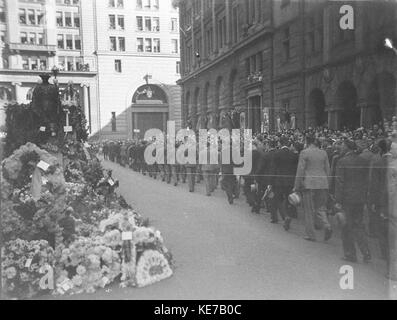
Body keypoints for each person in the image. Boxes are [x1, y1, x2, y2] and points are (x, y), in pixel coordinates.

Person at [335, 139, 371, 263]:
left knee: (346, 226)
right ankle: (366, 251)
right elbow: (367, 180)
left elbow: (340, 182)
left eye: (342, 145)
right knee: (358, 225)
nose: (340, 147)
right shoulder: (363, 161)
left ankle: (351, 254)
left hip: (347, 199)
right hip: (360, 198)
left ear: (347, 148)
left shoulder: (342, 161)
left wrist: (338, 200)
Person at [294, 134, 332, 241]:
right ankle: (327, 225)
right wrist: (328, 183)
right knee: (321, 208)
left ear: (307, 142)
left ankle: (311, 235)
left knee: (309, 210)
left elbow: (300, 170)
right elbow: (328, 170)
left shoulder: (304, 152)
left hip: (309, 183)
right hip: (322, 183)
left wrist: (296, 186)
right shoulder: (323, 153)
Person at [369, 139, 392, 263]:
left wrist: (372, 201)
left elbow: (375, 184)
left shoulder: (378, 162)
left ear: (381, 149)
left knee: (383, 229)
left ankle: (386, 254)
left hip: (382, 200)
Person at [272, 136, 299, 230]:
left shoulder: (277, 154)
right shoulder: (294, 155)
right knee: (289, 200)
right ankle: (289, 215)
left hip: (279, 181)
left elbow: (274, 168)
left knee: (278, 199)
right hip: (290, 181)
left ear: (280, 143)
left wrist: (272, 181)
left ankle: (285, 215)